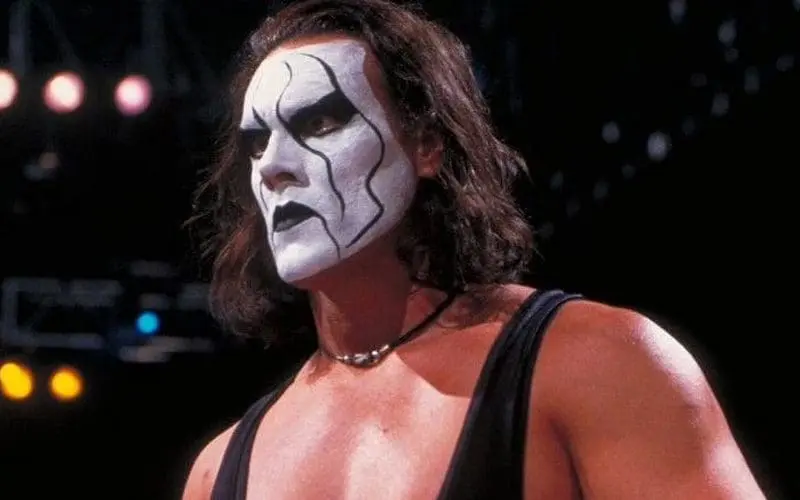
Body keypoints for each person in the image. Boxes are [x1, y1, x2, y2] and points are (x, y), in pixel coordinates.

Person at [183, 0, 766, 498]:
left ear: (427, 146)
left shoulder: (598, 363)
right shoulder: (217, 471)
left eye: (319, 123)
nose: (274, 166)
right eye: (257, 144)